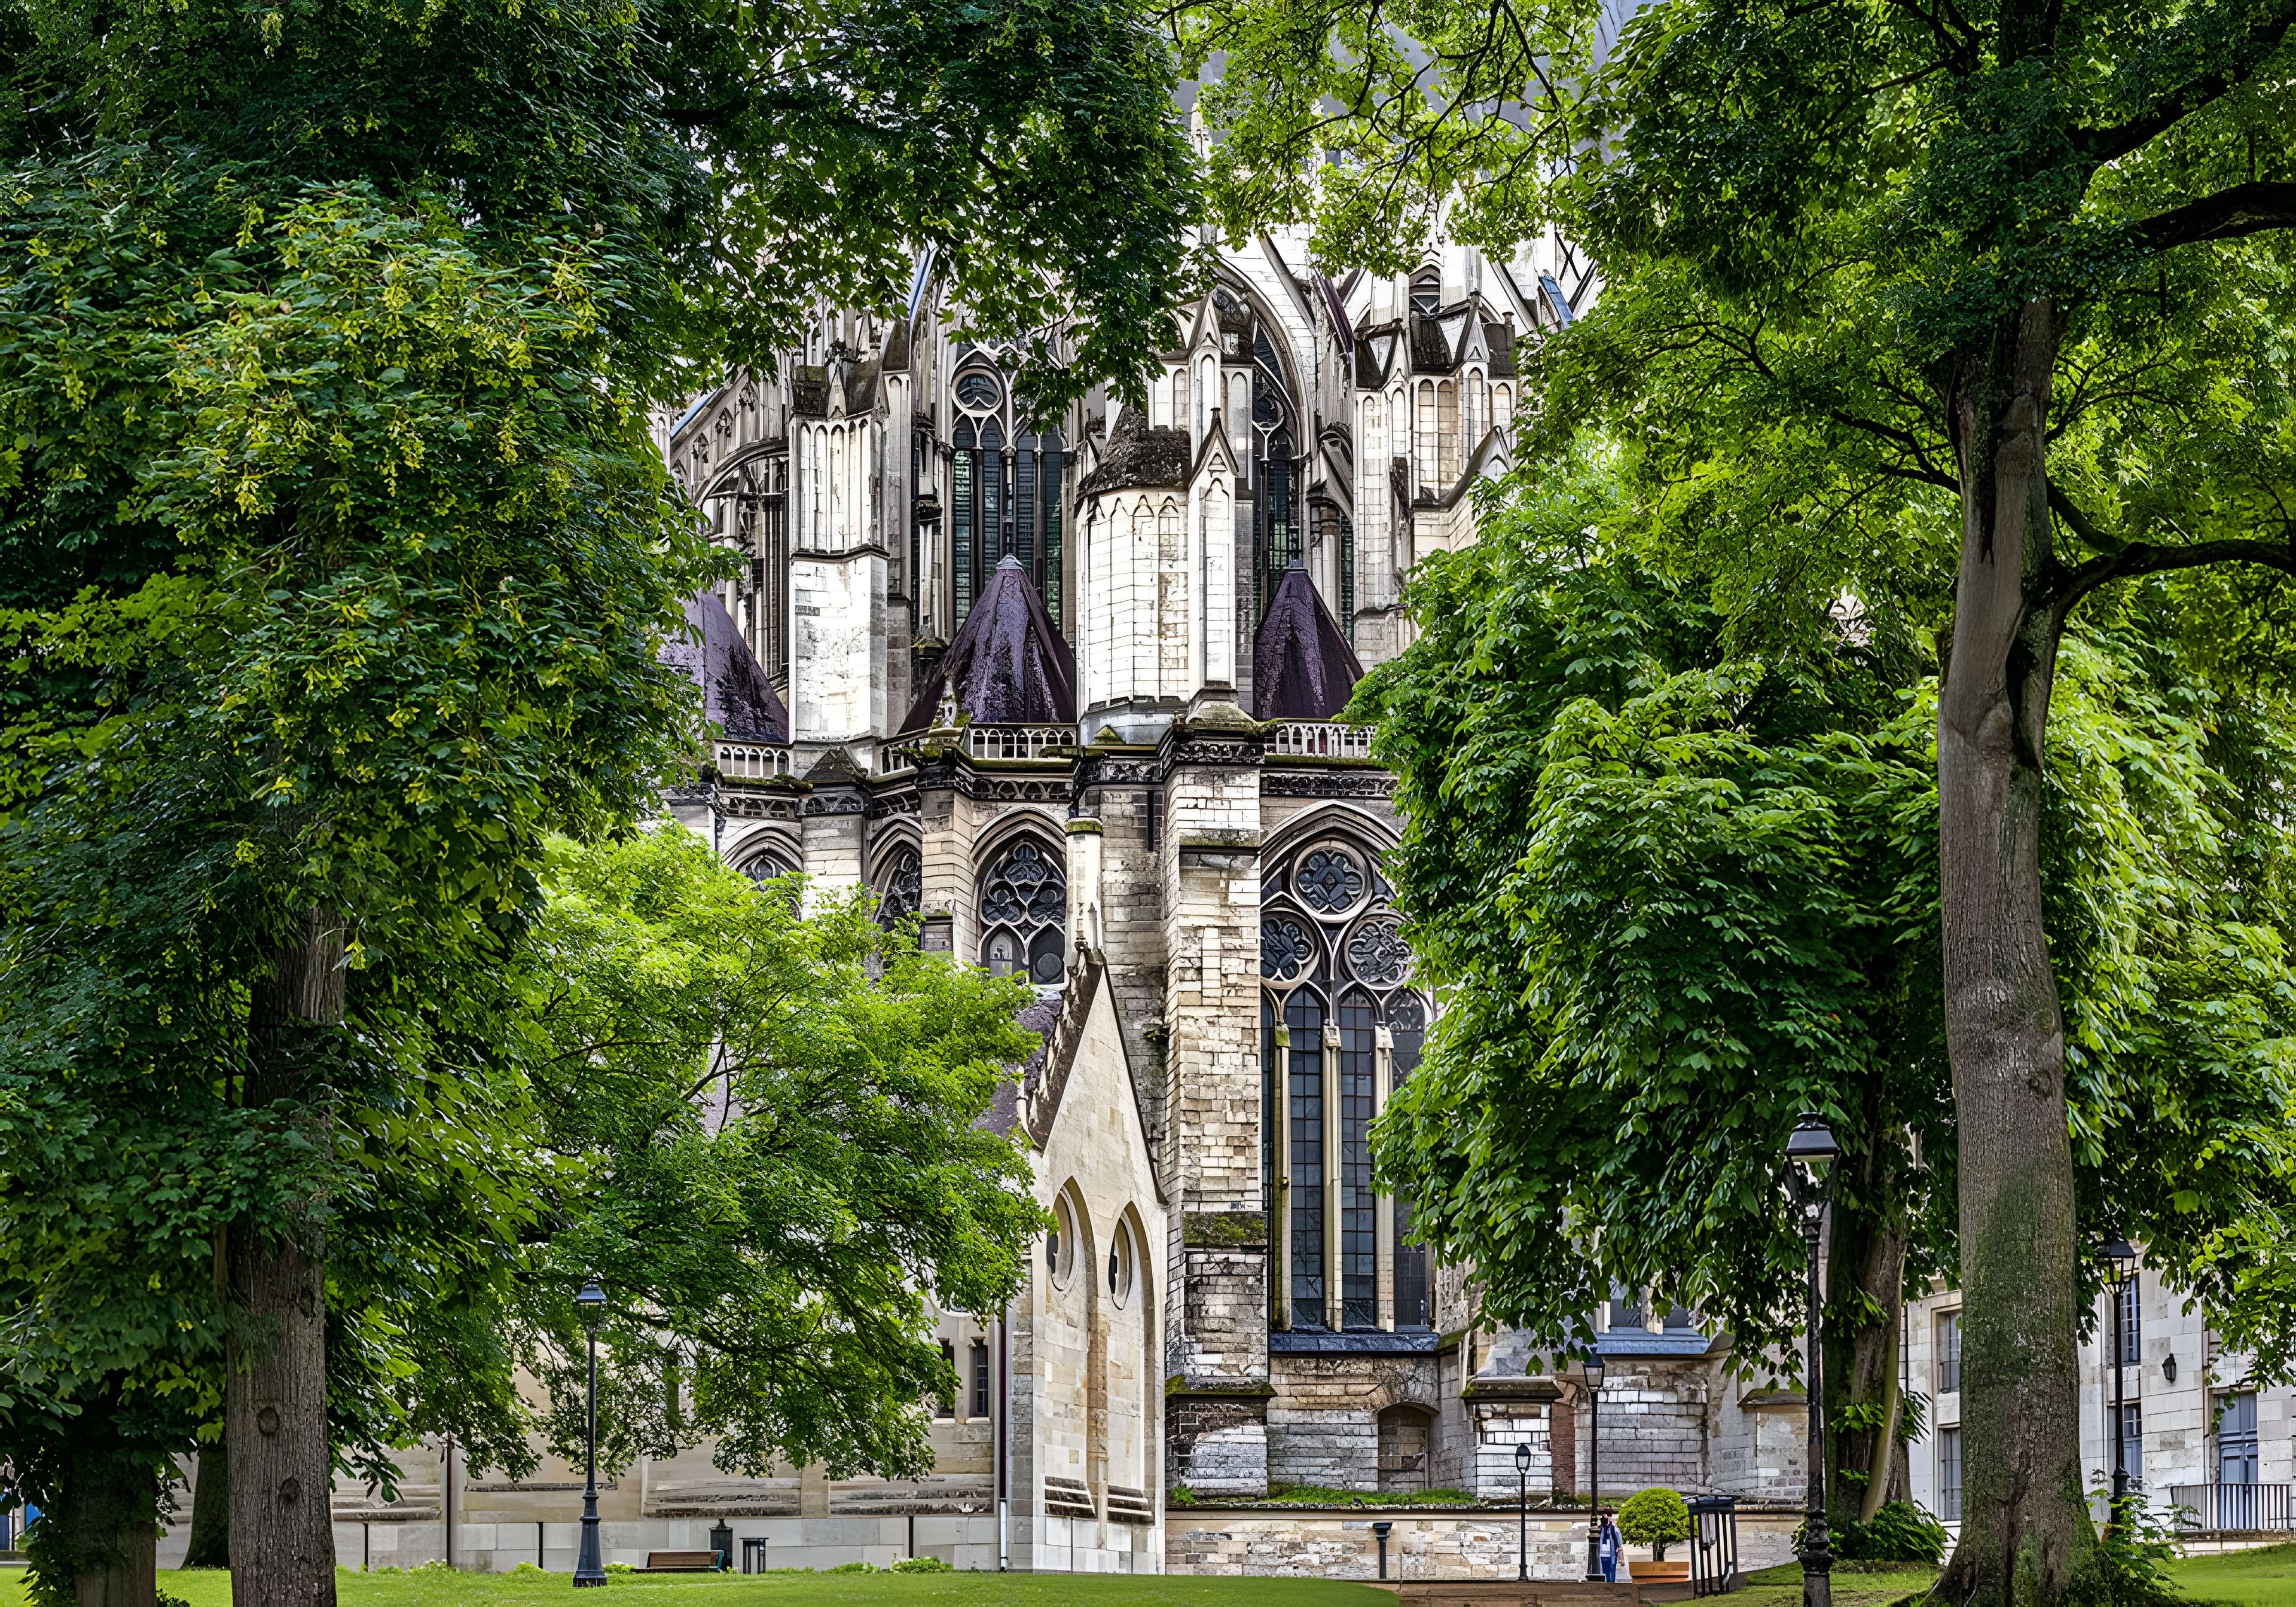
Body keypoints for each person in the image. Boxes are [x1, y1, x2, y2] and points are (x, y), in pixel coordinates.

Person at [1599, 1508, 1623, 1582]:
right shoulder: (1599, 1529)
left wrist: (1621, 1559)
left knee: (1612, 1575)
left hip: (1612, 1555)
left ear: (1610, 1517)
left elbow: (1620, 1544)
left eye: (1606, 1518)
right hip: (1602, 1555)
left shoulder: (1614, 1530)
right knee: (1603, 1576)